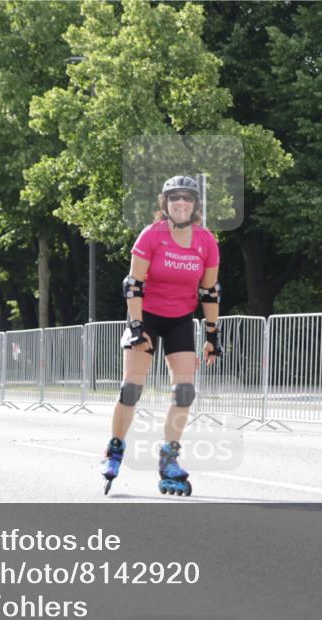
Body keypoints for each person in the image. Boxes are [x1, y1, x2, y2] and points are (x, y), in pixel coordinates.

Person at [102, 175, 222, 496]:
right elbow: (133, 284)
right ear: (165, 204)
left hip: (181, 318)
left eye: (186, 199)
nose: (180, 204)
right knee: (131, 389)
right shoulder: (152, 235)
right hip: (147, 317)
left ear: (195, 205)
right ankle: (115, 448)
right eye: (174, 199)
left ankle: (169, 458)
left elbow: (209, 291)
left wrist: (213, 334)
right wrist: (137, 325)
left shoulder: (206, 240)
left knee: (184, 392)